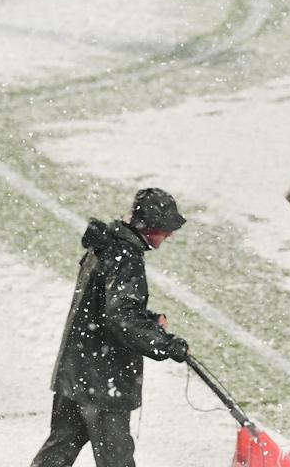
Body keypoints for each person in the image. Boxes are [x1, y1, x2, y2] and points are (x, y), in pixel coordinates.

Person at [30, 188, 191, 467]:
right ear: (150, 227)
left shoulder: (106, 246)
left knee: (57, 455)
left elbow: (105, 307)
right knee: (116, 461)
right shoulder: (125, 257)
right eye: (166, 229)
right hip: (103, 382)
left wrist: (150, 322)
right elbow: (121, 319)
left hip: (76, 373)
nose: (169, 235)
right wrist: (164, 344)